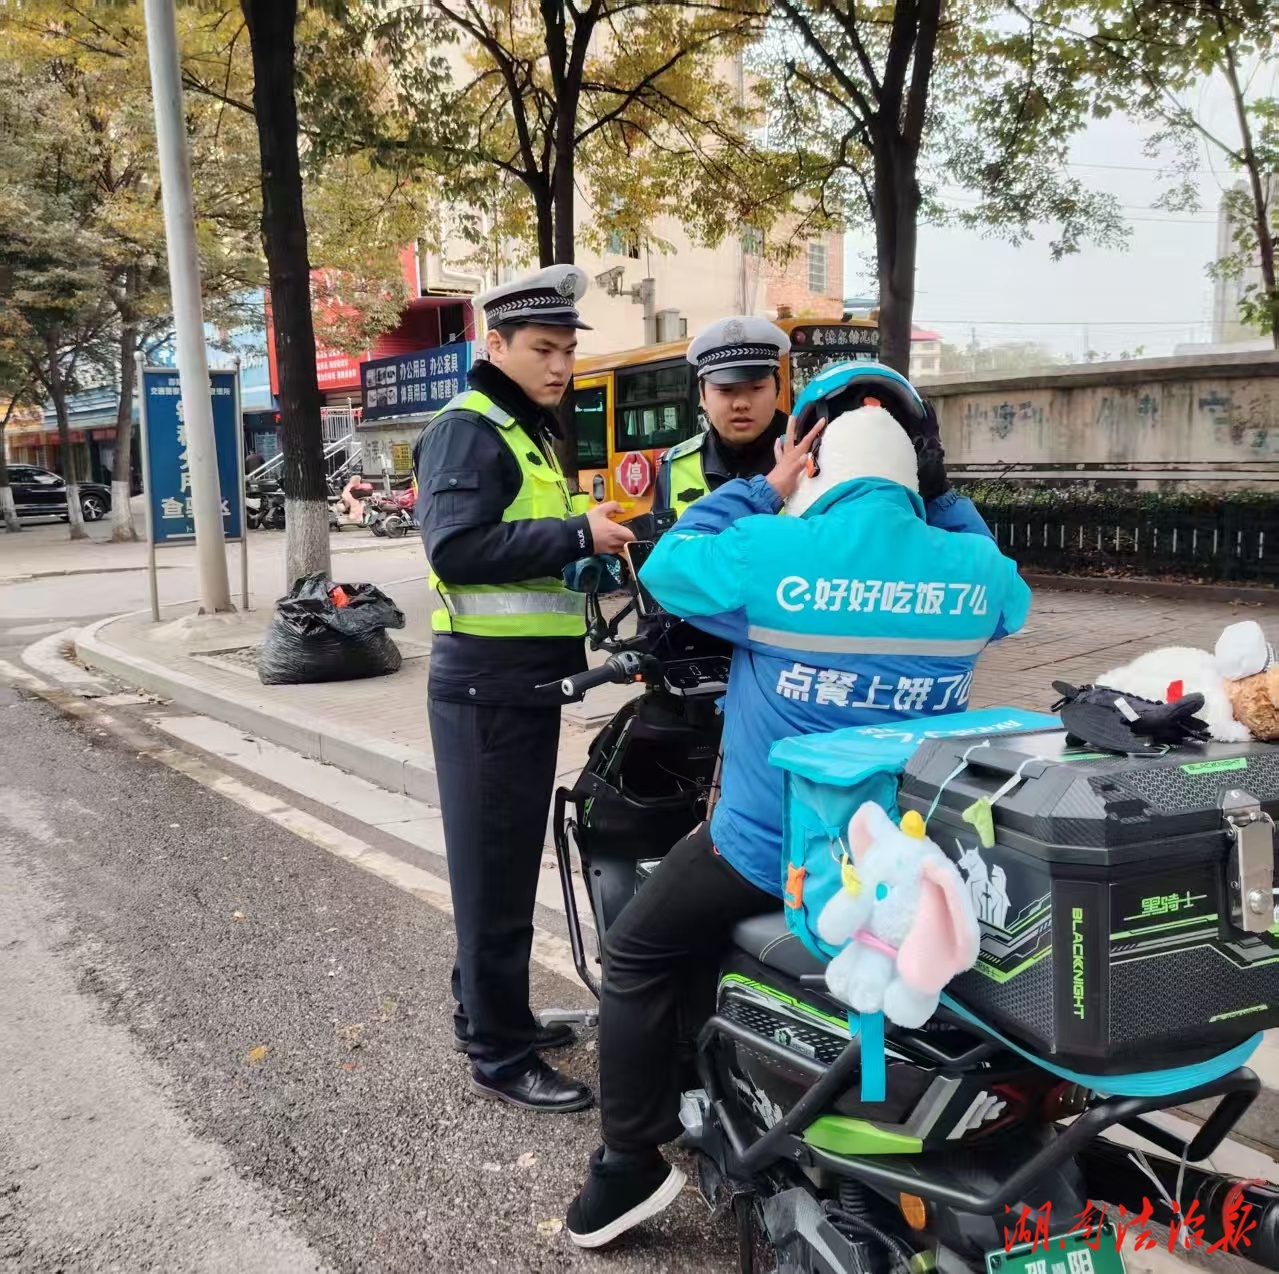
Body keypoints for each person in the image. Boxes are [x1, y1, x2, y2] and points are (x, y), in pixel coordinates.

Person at [564, 403, 1031, 1247]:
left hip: (771, 846)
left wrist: (758, 486)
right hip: (906, 847)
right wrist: (942, 501)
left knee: (635, 951)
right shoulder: (969, 565)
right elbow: (1011, 604)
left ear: (815, 469)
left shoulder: (773, 550)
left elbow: (669, 566)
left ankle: (627, 1164)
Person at [414, 264, 635, 1114]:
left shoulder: (524, 431)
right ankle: (499, 1056)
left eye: (568, 351)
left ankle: (487, 1011)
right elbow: (456, 551)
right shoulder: (468, 429)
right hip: (486, 689)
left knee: (500, 865)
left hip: (521, 683)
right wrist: (573, 528)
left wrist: (573, 555)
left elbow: (513, 546)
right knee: (494, 871)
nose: (559, 366)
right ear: (493, 344)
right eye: (542, 349)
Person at [651, 316, 791, 518]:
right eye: (726, 390)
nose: (741, 403)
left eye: (756, 388)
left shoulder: (814, 456)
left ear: (778, 388)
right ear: (703, 395)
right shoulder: (675, 467)